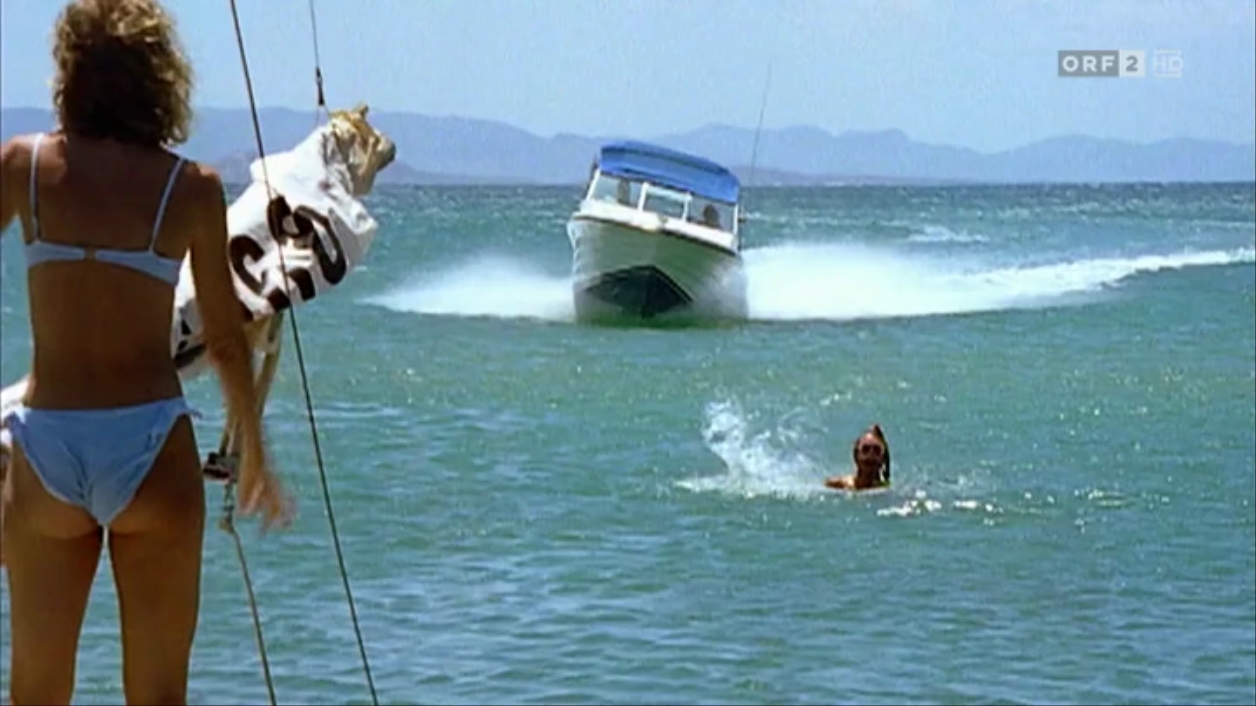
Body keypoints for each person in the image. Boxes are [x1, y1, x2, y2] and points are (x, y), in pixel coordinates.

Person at [0, 1, 291, 703]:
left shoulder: (22, 166)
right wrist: (254, 446)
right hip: (150, 440)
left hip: (48, 440)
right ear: (161, 77)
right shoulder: (190, 189)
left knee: (37, 690)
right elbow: (225, 340)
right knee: (159, 695)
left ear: (70, 71)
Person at [824, 424, 892, 491]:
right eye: (865, 449)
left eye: (877, 450)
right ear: (856, 455)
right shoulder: (836, 485)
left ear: (883, 458)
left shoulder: (885, 489)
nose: (871, 455)